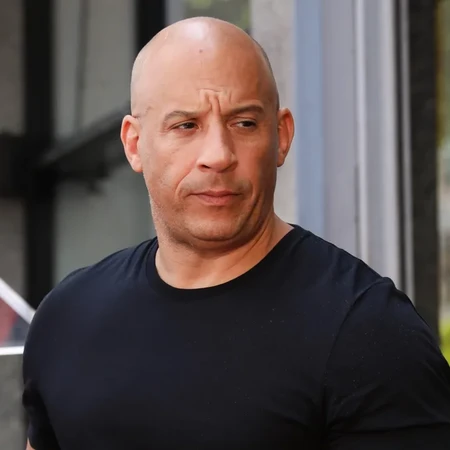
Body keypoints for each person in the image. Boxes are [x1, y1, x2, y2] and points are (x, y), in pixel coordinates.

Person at [23, 16, 450, 450]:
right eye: (186, 125)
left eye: (244, 123)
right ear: (134, 145)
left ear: (281, 136)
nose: (218, 155)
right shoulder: (66, 318)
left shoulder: (370, 333)